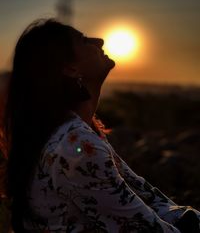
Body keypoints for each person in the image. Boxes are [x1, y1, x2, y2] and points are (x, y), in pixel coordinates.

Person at [3, 18, 200, 233]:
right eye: (84, 40)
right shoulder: (76, 145)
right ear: (70, 68)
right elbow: (145, 228)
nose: (100, 40)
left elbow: (146, 199)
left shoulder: (74, 131)